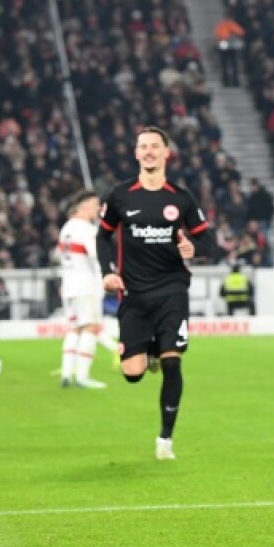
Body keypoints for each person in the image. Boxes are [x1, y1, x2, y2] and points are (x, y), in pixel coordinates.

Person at [96, 126, 213, 460]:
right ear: (136, 153)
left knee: (173, 362)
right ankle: (149, 351)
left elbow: (207, 240)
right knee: (132, 374)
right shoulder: (120, 195)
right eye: (143, 146)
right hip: (133, 293)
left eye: (154, 146)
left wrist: (194, 249)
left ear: (166, 153)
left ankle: (165, 439)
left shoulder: (181, 197)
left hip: (172, 290)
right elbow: (102, 236)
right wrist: (107, 272)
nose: (148, 151)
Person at [57, 190, 108, 389]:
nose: (98, 209)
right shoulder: (87, 229)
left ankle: (67, 372)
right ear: (85, 206)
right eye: (96, 205)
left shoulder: (67, 228)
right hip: (86, 284)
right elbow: (97, 255)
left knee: (74, 328)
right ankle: (82, 376)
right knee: (90, 327)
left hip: (68, 284)